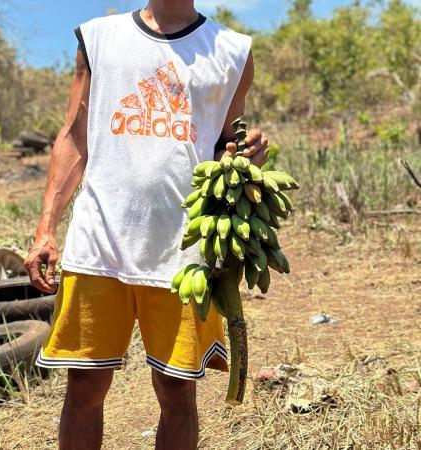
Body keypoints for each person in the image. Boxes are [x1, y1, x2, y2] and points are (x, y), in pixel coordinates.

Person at [25, 1, 268, 449]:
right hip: (99, 242)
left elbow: (223, 146)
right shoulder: (98, 38)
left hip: (182, 249)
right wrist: (46, 229)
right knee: (84, 387)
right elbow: (74, 136)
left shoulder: (233, 51)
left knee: (177, 391)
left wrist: (248, 153)